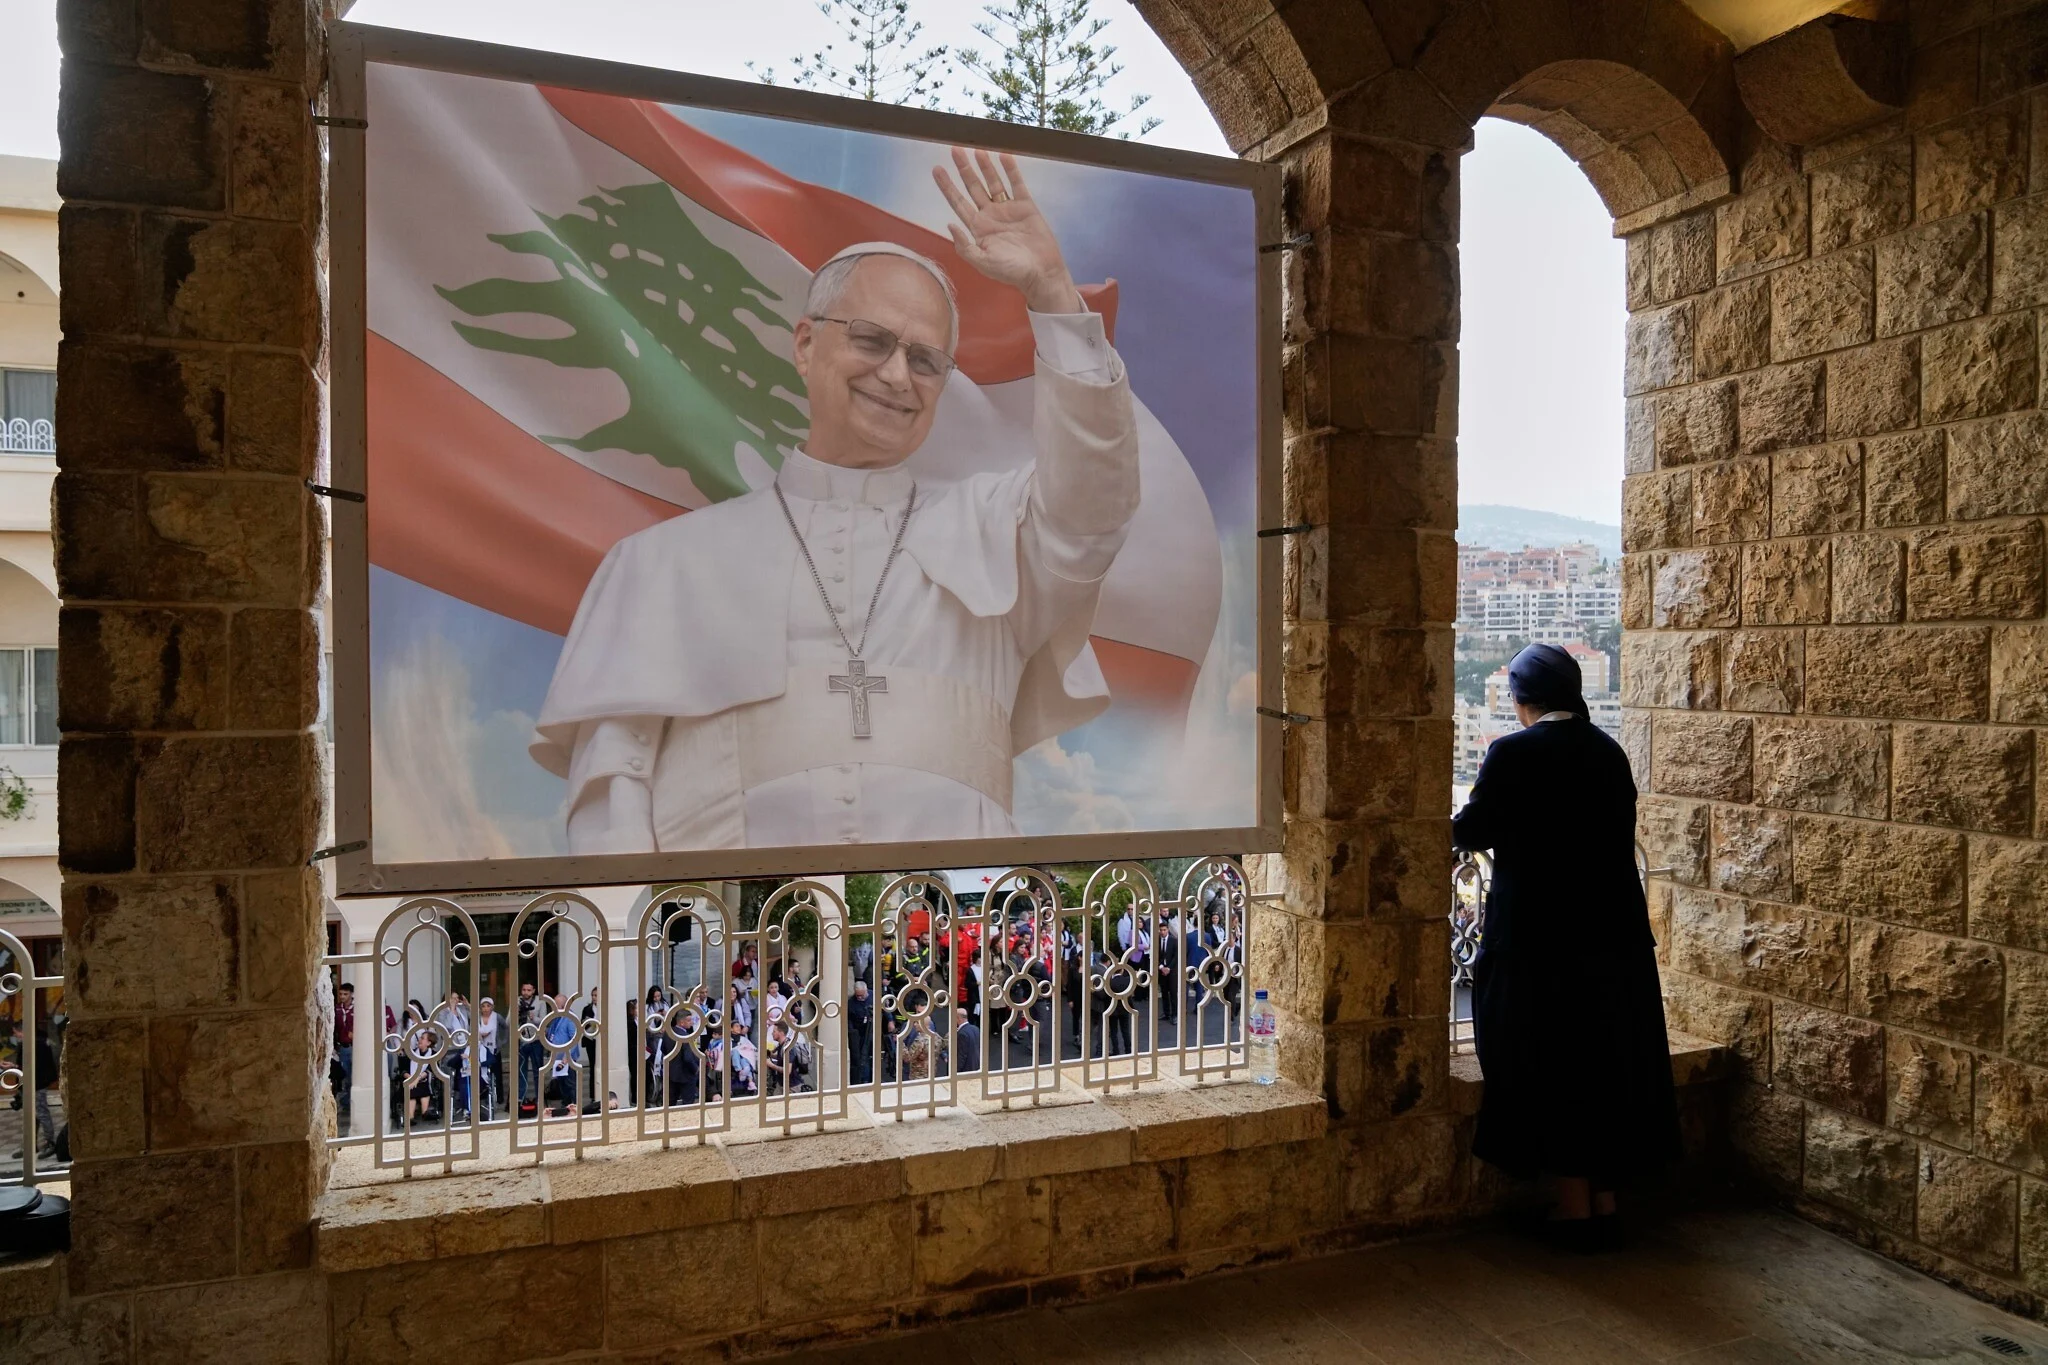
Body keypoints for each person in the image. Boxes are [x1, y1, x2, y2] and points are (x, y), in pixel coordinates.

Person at [532, 152, 1141, 853]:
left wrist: (1054, 293)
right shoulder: (658, 566)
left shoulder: (997, 533)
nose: (895, 375)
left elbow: (1097, 496)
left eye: (924, 360)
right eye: (872, 340)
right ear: (804, 344)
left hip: (948, 949)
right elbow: (611, 798)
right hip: (734, 955)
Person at [1451, 642, 1682, 1253]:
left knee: (1546, 1062)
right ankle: (1603, 1201)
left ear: (1522, 699)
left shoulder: (1512, 752)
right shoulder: (1609, 752)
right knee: (1603, 1061)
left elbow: (1472, 829)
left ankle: (1574, 1210)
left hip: (1538, 940)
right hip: (1611, 937)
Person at [333, 981, 355, 1133]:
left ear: (351, 995)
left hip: (356, 1047)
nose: (342, 996)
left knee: (356, 1076)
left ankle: (354, 1104)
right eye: (340, 994)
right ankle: (347, 1104)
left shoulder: (358, 1008)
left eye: (345, 994)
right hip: (342, 1047)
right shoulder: (337, 1009)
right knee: (345, 1076)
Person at [848, 980, 874, 1085]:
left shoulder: (874, 996)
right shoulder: (851, 1003)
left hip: (874, 1030)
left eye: (861, 995)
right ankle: (865, 1080)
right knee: (864, 1057)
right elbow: (849, 1019)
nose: (859, 998)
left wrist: (890, 1021)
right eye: (857, 995)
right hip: (861, 1033)